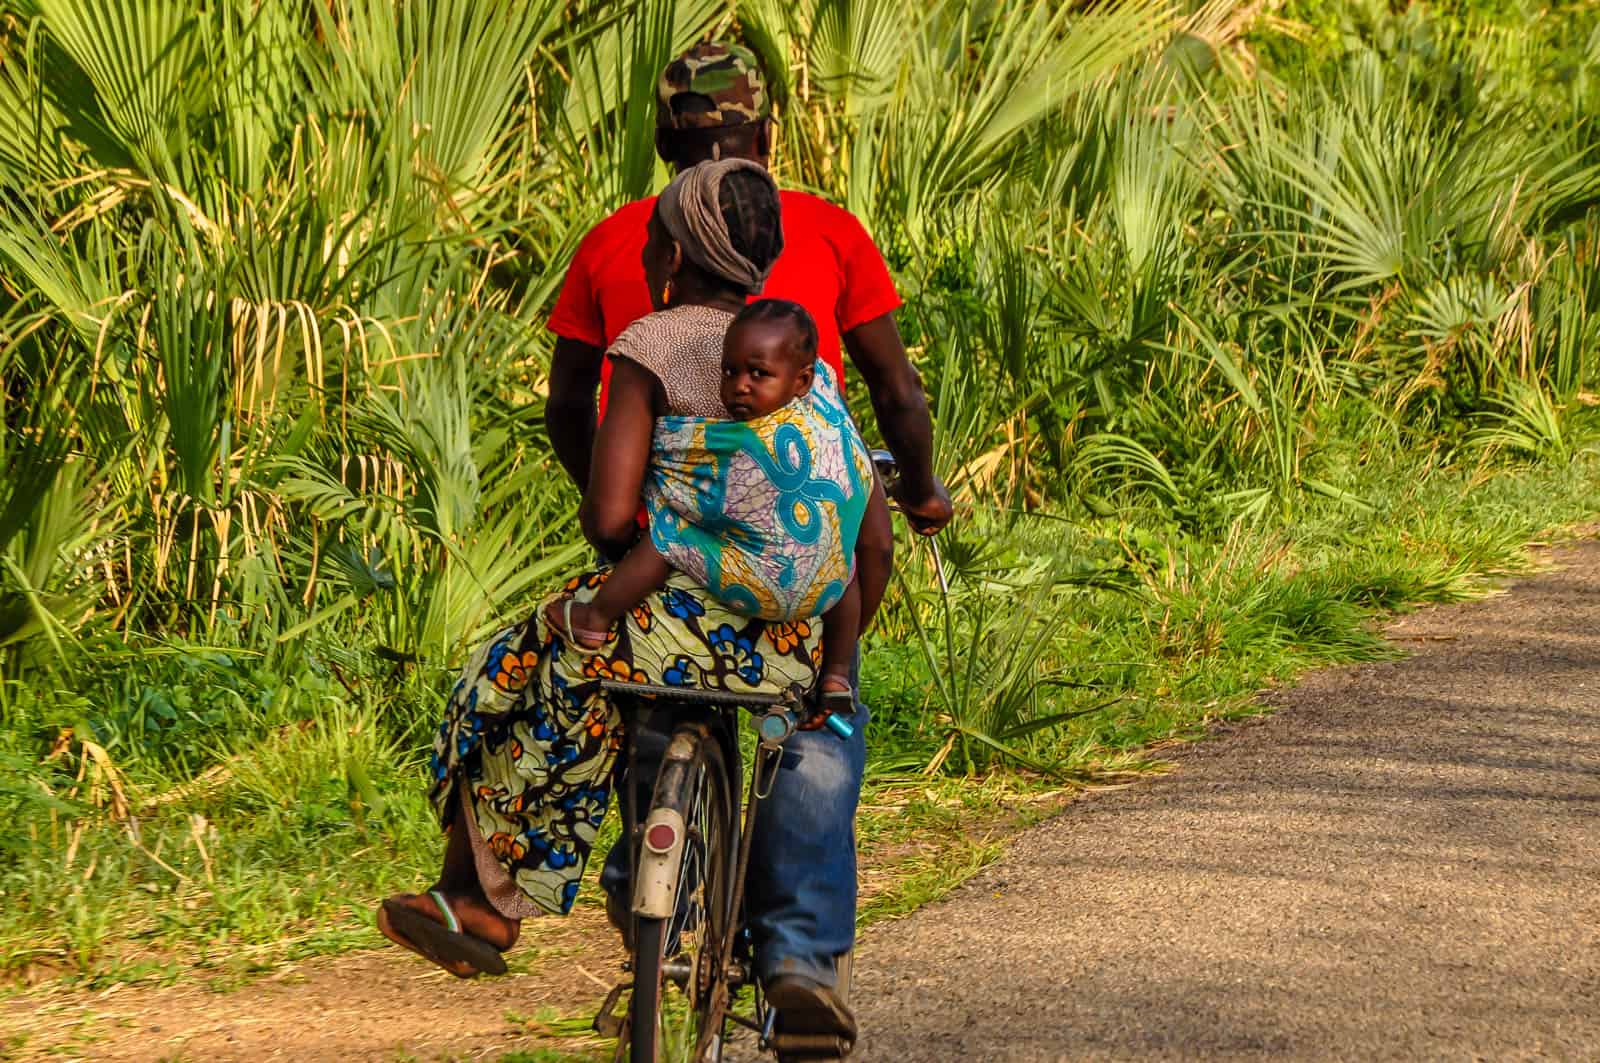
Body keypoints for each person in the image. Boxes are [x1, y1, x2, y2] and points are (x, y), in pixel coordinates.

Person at [544, 41, 952, 1045]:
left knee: (646, 698)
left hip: (662, 549)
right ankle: (799, 959)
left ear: (658, 143)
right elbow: (895, 393)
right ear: (766, 139)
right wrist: (926, 491)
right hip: (795, 557)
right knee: (814, 716)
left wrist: (629, 509)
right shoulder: (822, 230)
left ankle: (652, 898)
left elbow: (565, 407)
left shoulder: (617, 240)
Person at [377, 162, 831, 990]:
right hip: (783, 644)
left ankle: (481, 897)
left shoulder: (653, 344)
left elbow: (610, 518)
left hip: (662, 624)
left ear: (675, 253)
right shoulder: (800, 363)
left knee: (513, 672)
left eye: (656, 237)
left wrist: (639, 541)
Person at [546, 296, 884, 708]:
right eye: (729, 370)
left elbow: (690, 489)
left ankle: (594, 619)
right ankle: (835, 676)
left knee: (668, 538)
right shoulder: (824, 422)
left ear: (801, 382)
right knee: (843, 565)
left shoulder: (737, 442)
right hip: (820, 594)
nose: (740, 385)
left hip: (757, 585)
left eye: (759, 374)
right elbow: (855, 482)